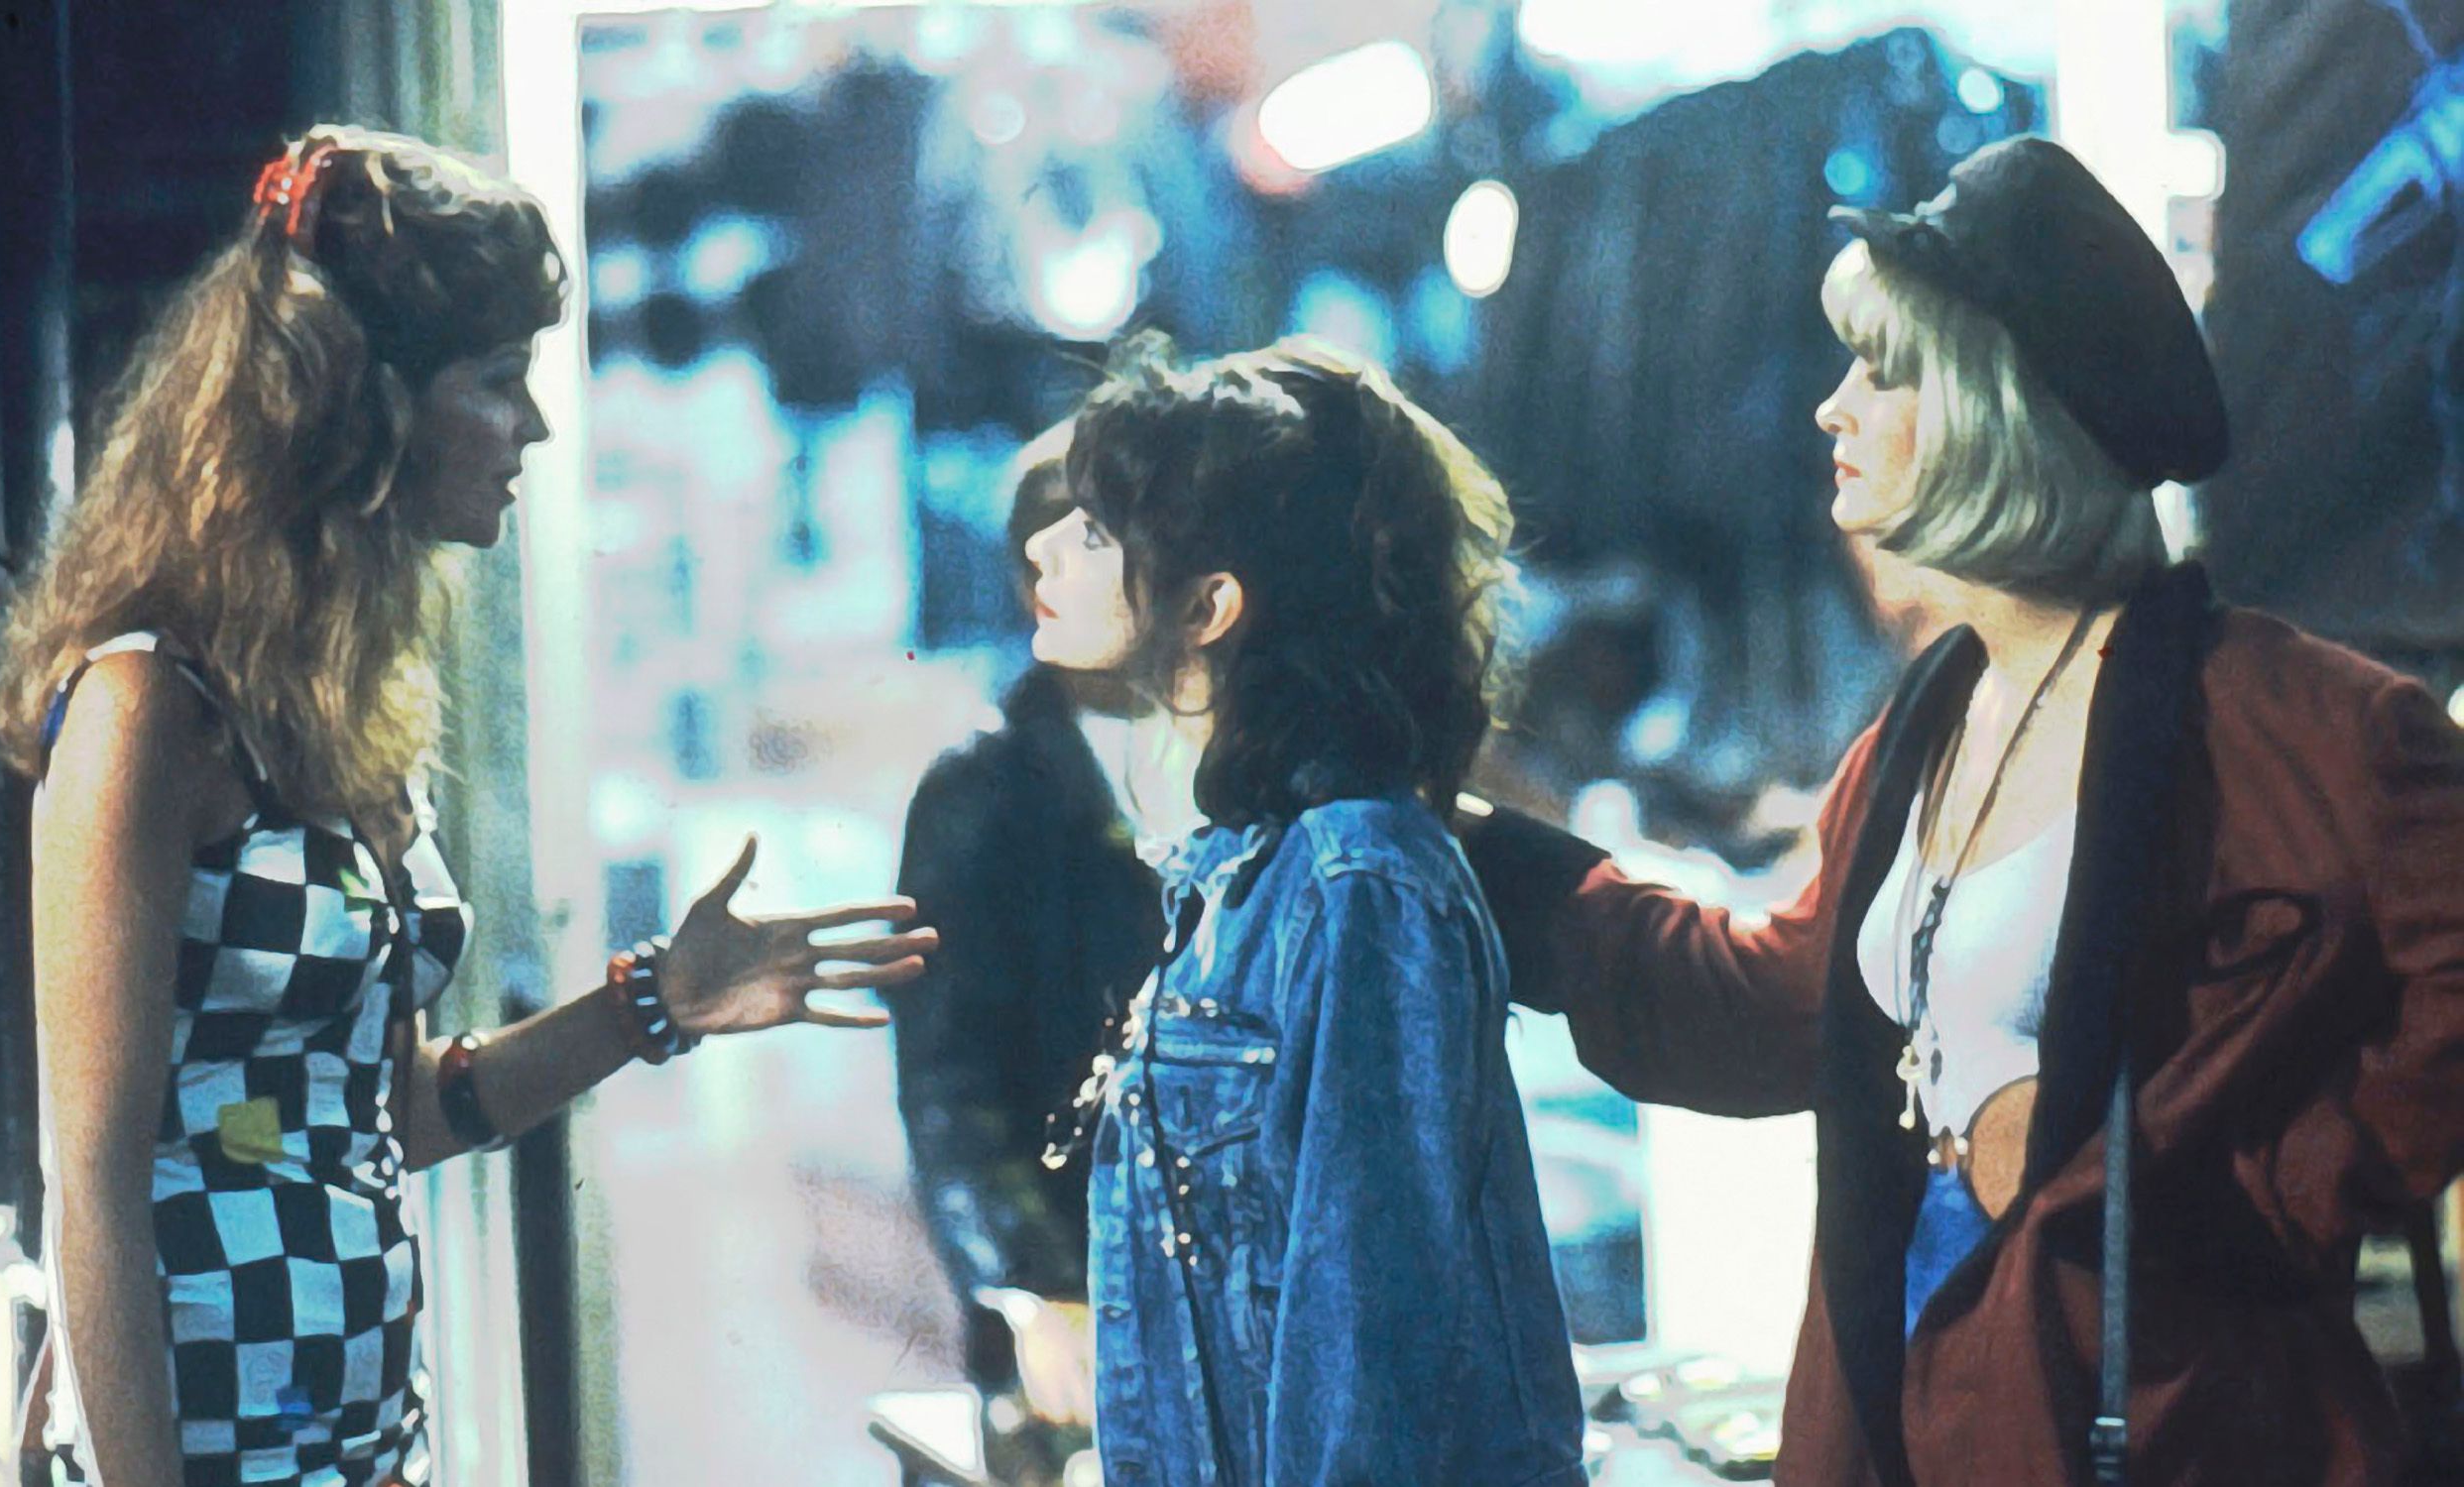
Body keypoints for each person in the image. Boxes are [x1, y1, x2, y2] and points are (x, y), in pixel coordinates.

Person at [1463, 135, 2464, 1486]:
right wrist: (1486, 863)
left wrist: (2255, 1187)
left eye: (1881, 371)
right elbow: (1788, 1005)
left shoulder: (2300, 726)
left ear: (1998, 410)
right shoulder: (1926, 727)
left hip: (2156, 1426)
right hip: (1910, 1406)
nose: (1832, 409)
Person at [0, 126, 937, 1487]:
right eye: (497, 380)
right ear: (360, 405)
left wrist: (656, 1006)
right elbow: (93, 1185)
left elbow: (390, 1114)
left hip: (369, 1448)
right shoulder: (148, 707)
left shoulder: (334, 698)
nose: (532, 425)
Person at [1036, 335, 1585, 1486]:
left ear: (1210, 605)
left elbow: (1367, 1349)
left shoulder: (1357, 885)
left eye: (1090, 532)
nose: (1042, 548)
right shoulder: (1244, 874)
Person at [885, 420, 1174, 1468]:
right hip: (1074, 1326)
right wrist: (1034, 1291)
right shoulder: (982, 794)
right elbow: (949, 1089)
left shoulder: (1234, 761)